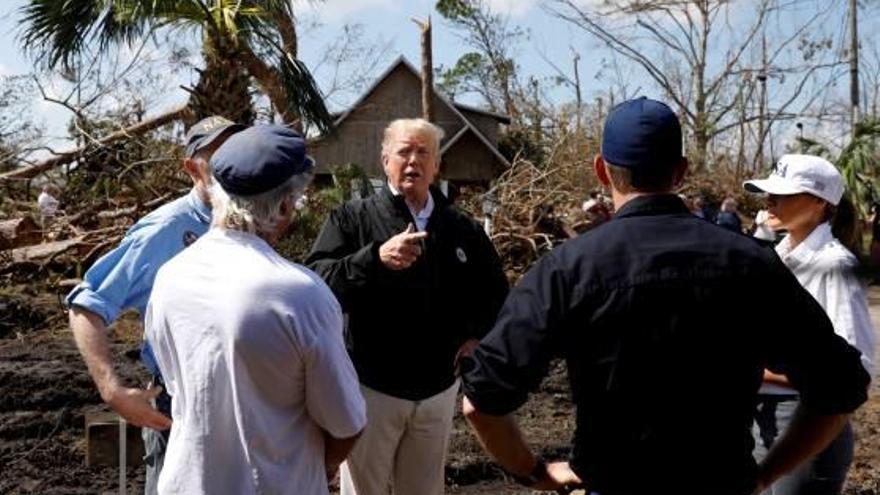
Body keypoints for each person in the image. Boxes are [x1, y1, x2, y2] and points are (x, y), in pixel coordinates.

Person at [458, 97, 870, 495]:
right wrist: (764, 475)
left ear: (602, 171)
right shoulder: (751, 263)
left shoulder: (567, 268)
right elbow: (842, 386)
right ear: (681, 171)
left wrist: (534, 471)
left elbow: (482, 402)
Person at [146, 125, 365, 494]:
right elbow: (345, 424)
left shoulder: (170, 277)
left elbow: (176, 383)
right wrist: (316, 468)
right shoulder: (300, 293)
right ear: (283, 206)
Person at [306, 118, 509, 495]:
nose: (412, 161)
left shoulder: (462, 229)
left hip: (438, 390)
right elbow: (316, 283)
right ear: (385, 161)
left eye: (423, 153)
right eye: (403, 152)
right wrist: (373, 259)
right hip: (372, 388)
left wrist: (478, 337)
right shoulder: (351, 219)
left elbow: (496, 294)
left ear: (436, 166)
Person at [64, 116, 244, 495]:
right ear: (192, 167)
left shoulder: (251, 220)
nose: (230, 162)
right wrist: (111, 389)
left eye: (236, 150)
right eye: (217, 154)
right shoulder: (165, 229)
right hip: (179, 405)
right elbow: (88, 303)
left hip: (243, 402)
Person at [744, 153, 875, 495]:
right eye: (769, 193)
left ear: (819, 203)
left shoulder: (833, 265)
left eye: (783, 194)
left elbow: (856, 370)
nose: (769, 202)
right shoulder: (777, 257)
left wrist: (755, 370)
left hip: (808, 419)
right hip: (764, 417)